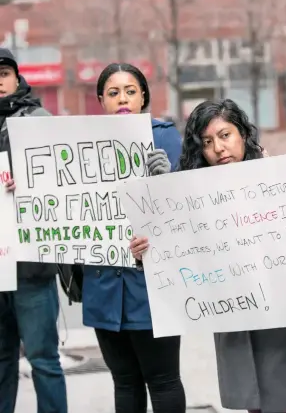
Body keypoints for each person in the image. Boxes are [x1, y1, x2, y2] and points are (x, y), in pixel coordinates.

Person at [130, 98, 286, 413]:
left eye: (225, 135)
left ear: (243, 134)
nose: (218, 148)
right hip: (237, 316)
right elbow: (179, 252)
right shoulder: (192, 195)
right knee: (255, 402)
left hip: (284, 317)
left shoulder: (277, 178)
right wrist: (145, 247)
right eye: (207, 142)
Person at [82, 63, 185, 413]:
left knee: (163, 379)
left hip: (153, 284)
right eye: (113, 92)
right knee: (124, 381)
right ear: (101, 101)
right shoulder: (81, 143)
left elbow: (190, 210)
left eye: (130, 90)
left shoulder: (166, 137)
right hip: (103, 284)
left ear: (143, 97)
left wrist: (168, 179)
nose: (122, 98)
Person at [0, 47, 67, 413]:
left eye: (4, 73)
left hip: (31, 266)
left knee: (43, 360)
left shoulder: (38, 119)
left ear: (16, 78)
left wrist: (29, 184)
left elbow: (63, 183)